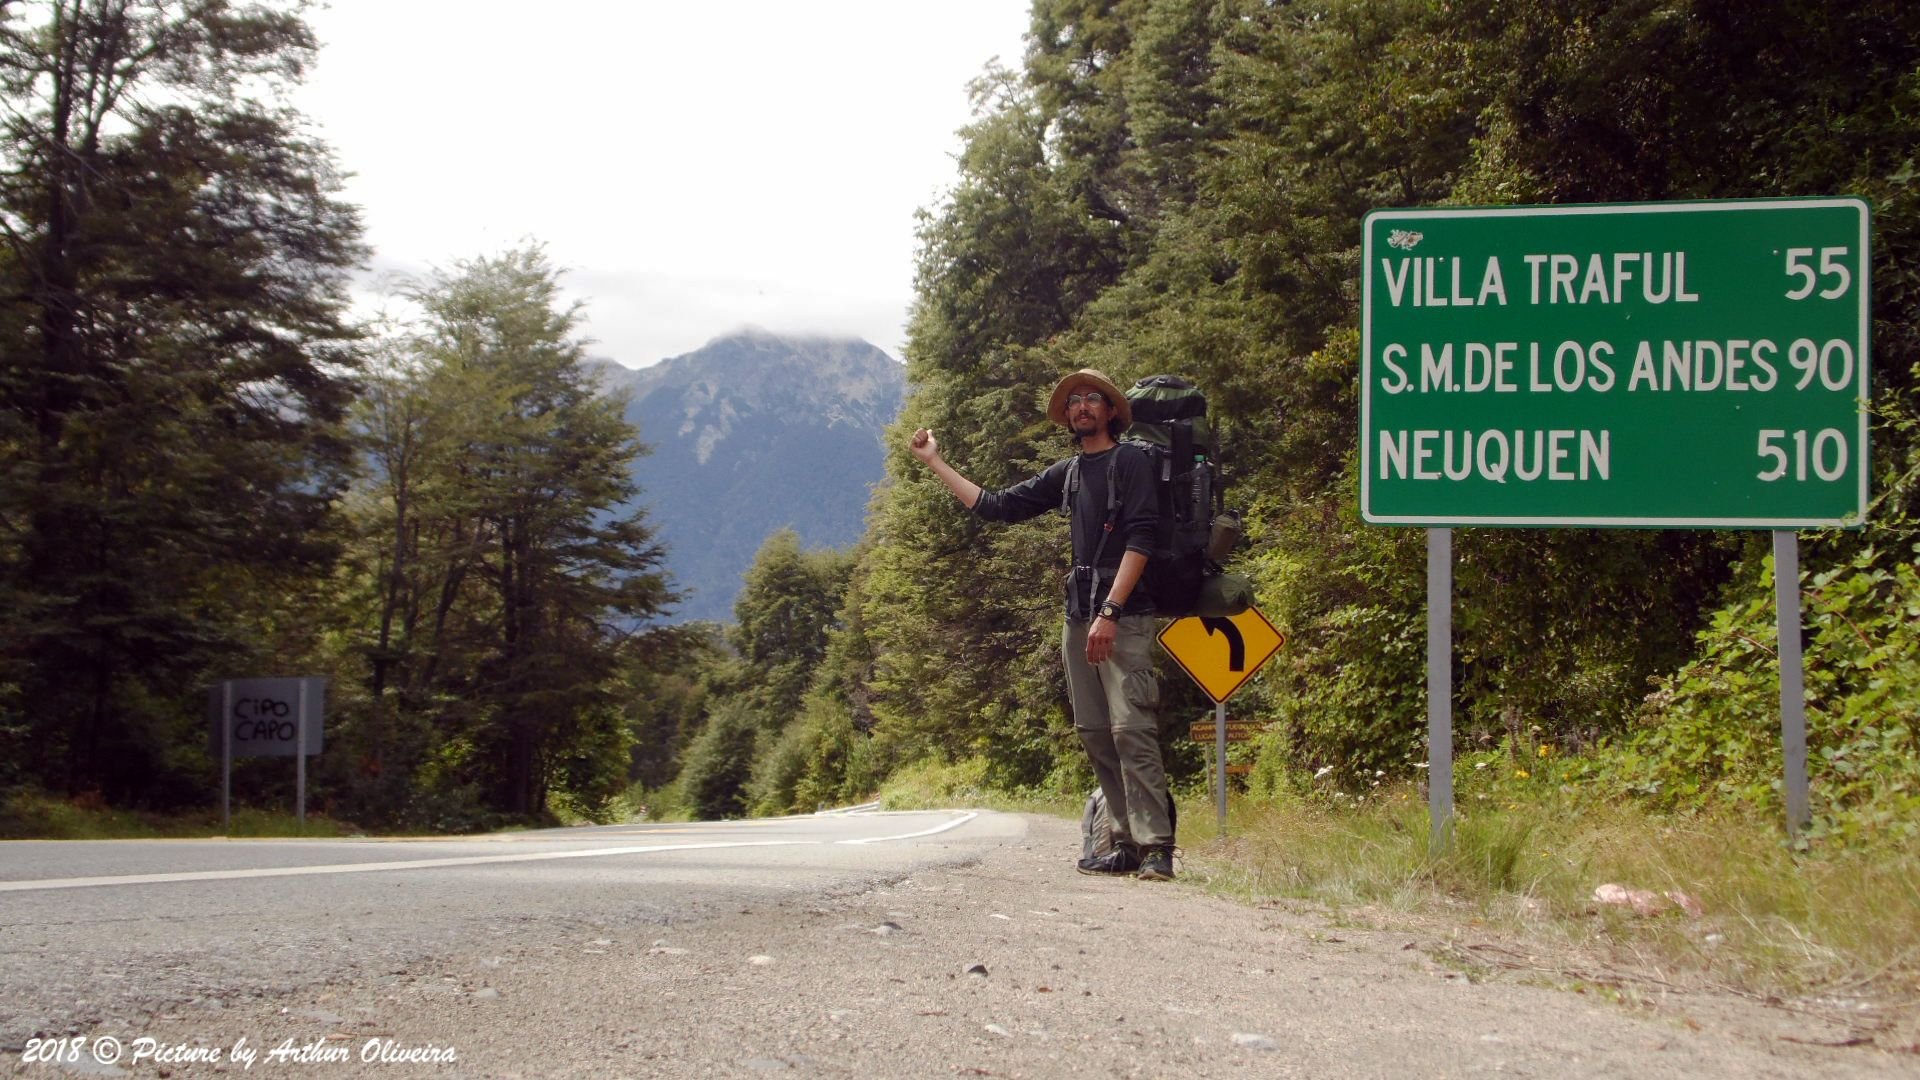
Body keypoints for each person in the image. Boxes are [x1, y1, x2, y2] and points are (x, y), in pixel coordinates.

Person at [908, 368, 1176, 881]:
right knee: (1095, 730)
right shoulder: (1069, 473)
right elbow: (997, 506)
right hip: (1079, 616)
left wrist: (1111, 612)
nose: (1081, 407)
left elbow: (1141, 538)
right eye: (1074, 401)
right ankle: (1123, 842)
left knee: (1131, 729)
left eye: (1092, 399)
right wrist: (934, 461)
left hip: (1125, 614)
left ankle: (1157, 844)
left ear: (1111, 411)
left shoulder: (1133, 462)